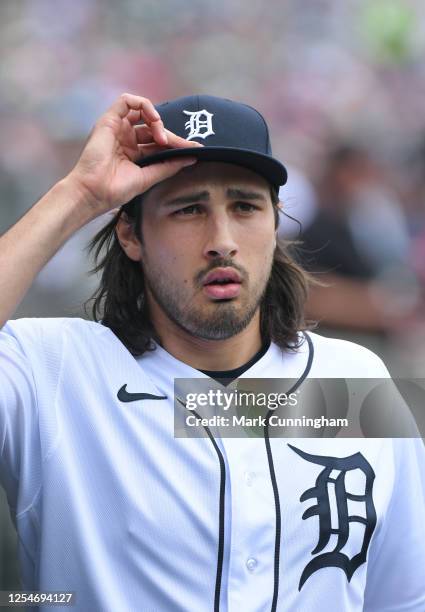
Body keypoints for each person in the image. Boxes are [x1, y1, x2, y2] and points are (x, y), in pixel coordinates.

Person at [0, 93, 424, 612]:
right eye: (188, 209)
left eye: (245, 206)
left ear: (275, 223)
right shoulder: (57, 372)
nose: (221, 240)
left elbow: (402, 598)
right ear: (131, 234)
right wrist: (79, 195)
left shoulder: (354, 381)